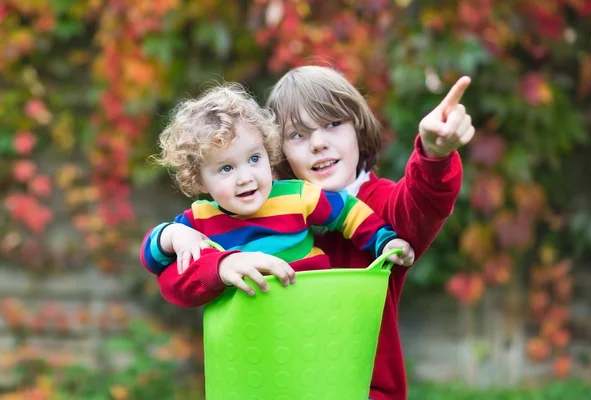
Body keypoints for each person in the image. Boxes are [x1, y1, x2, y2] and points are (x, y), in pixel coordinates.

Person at [143, 66, 473, 400]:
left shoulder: (379, 206)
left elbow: (423, 203)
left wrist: (434, 154)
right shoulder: (247, 214)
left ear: (358, 128)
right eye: (298, 134)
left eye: (333, 124)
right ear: (277, 151)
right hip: (271, 385)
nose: (318, 143)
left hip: (362, 390)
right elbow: (174, 276)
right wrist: (197, 251)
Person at [140, 83, 415, 305]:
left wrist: (384, 240)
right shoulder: (200, 222)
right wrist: (173, 235)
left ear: (269, 153)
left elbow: (347, 211)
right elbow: (155, 261)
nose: (246, 177)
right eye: (226, 168)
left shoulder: (296, 197)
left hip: (317, 312)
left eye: (254, 158)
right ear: (199, 179)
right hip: (256, 337)